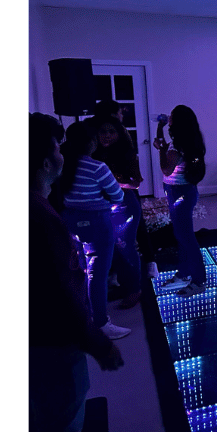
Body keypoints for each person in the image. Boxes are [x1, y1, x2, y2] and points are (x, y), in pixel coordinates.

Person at [29, 113, 124, 432]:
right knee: (60, 430)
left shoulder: (44, 207)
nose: (61, 154)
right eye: (56, 148)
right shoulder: (40, 219)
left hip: (41, 344)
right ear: (44, 162)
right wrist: (98, 343)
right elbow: (61, 293)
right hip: (53, 348)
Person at [57, 120, 131, 340]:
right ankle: (100, 322)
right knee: (97, 274)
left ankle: (83, 316)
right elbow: (118, 195)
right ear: (91, 142)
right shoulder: (98, 167)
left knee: (79, 269)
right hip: (97, 222)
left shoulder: (62, 163)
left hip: (69, 219)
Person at [92, 99, 160, 279]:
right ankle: (118, 271)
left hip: (123, 193)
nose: (122, 115)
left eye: (110, 132)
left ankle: (142, 269)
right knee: (110, 235)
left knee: (131, 231)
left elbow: (134, 179)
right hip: (104, 198)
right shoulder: (96, 139)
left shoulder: (122, 139)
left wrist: (111, 179)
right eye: (120, 112)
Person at [154, 105, 208, 297]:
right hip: (182, 191)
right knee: (181, 234)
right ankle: (184, 273)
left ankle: (199, 280)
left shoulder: (178, 146)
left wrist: (161, 150)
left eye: (172, 116)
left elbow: (166, 169)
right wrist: (160, 130)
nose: (169, 117)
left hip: (180, 193)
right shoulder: (188, 140)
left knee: (186, 237)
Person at [92, 114, 144, 309]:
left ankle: (134, 289)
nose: (106, 135)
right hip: (101, 206)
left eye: (111, 132)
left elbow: (136, 183)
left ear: (119, 134)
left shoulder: (127, 153)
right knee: (110, 247)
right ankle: (121, 284)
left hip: (123, 205)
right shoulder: (93, 154)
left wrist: (113, 180)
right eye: (102, 132)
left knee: (126, 247)